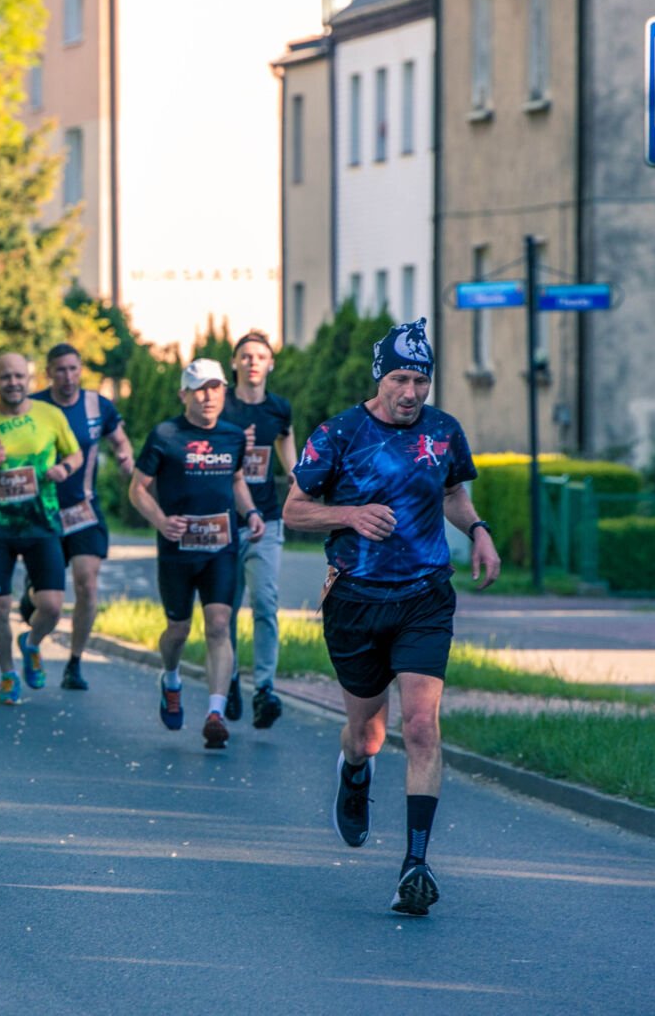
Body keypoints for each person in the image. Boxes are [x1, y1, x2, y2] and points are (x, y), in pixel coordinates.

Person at [284, 317, 500, 917]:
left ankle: (415, 865)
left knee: (423, 726)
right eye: (401, 379)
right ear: (380, 378)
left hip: (425, 596)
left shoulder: (443, 430)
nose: (411, 392)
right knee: (369, 735)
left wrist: (478, 531)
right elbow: (294, 510)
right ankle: (355, 771)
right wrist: (349, 515)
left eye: (421, 381)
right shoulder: (338, 433)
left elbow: (453, 492)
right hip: (355, 599)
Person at [128, 358, 265, 750]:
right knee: (178, 630)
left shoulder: (233, 436)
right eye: (200, 389)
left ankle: (215, 713)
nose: (208, 396)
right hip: (177, 549)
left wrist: (251, 512)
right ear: (183, 394)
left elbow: (236, 480)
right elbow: (137, 489)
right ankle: (170, 678)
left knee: (219, 625)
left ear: (224, 392)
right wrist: (161, 521)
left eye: (215, 388)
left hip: (220, 546)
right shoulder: (165, 435)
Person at [0, 353, 82, 705]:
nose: (13, 382)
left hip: (43, 524)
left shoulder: (50, 415)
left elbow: (75, 454)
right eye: (5, 377)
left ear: (30, 378)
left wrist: (64, 469)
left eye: (19, 376)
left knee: (52, 607)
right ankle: (8, 674)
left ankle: (32, 642)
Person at [28, 343, 136, 691]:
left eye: (73, 368)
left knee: (87, 583)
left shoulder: (97, 405)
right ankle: (31, 604)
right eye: (60, 369)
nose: (68, 376)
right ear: (49, 373)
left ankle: (74, 662)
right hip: (43, 511)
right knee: (45, 597)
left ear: (81, 370)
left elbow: (120, 441)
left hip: (83, 509)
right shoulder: (35, 406)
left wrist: (126, 460)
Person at [220, 330, 299, 729]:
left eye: (260, 356)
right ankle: (229, 677)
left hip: (265, 519)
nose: (253, 362)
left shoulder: (279, 408)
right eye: (246, 356)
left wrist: (295, 473)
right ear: (234, 362)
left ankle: (264, 689)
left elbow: (285, 437)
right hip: (222, 521)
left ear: (271, 364)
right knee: (225, 609)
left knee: (265, 603)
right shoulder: (221, 405)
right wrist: (235, 442)